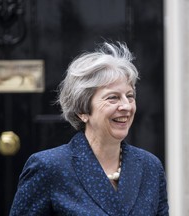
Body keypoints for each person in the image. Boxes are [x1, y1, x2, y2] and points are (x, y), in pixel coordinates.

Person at [10, 42, 169, 215]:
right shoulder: (49, 167)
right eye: (113, 98)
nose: (126, 106)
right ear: (82, 111)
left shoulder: (150, 167)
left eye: (129, 96)